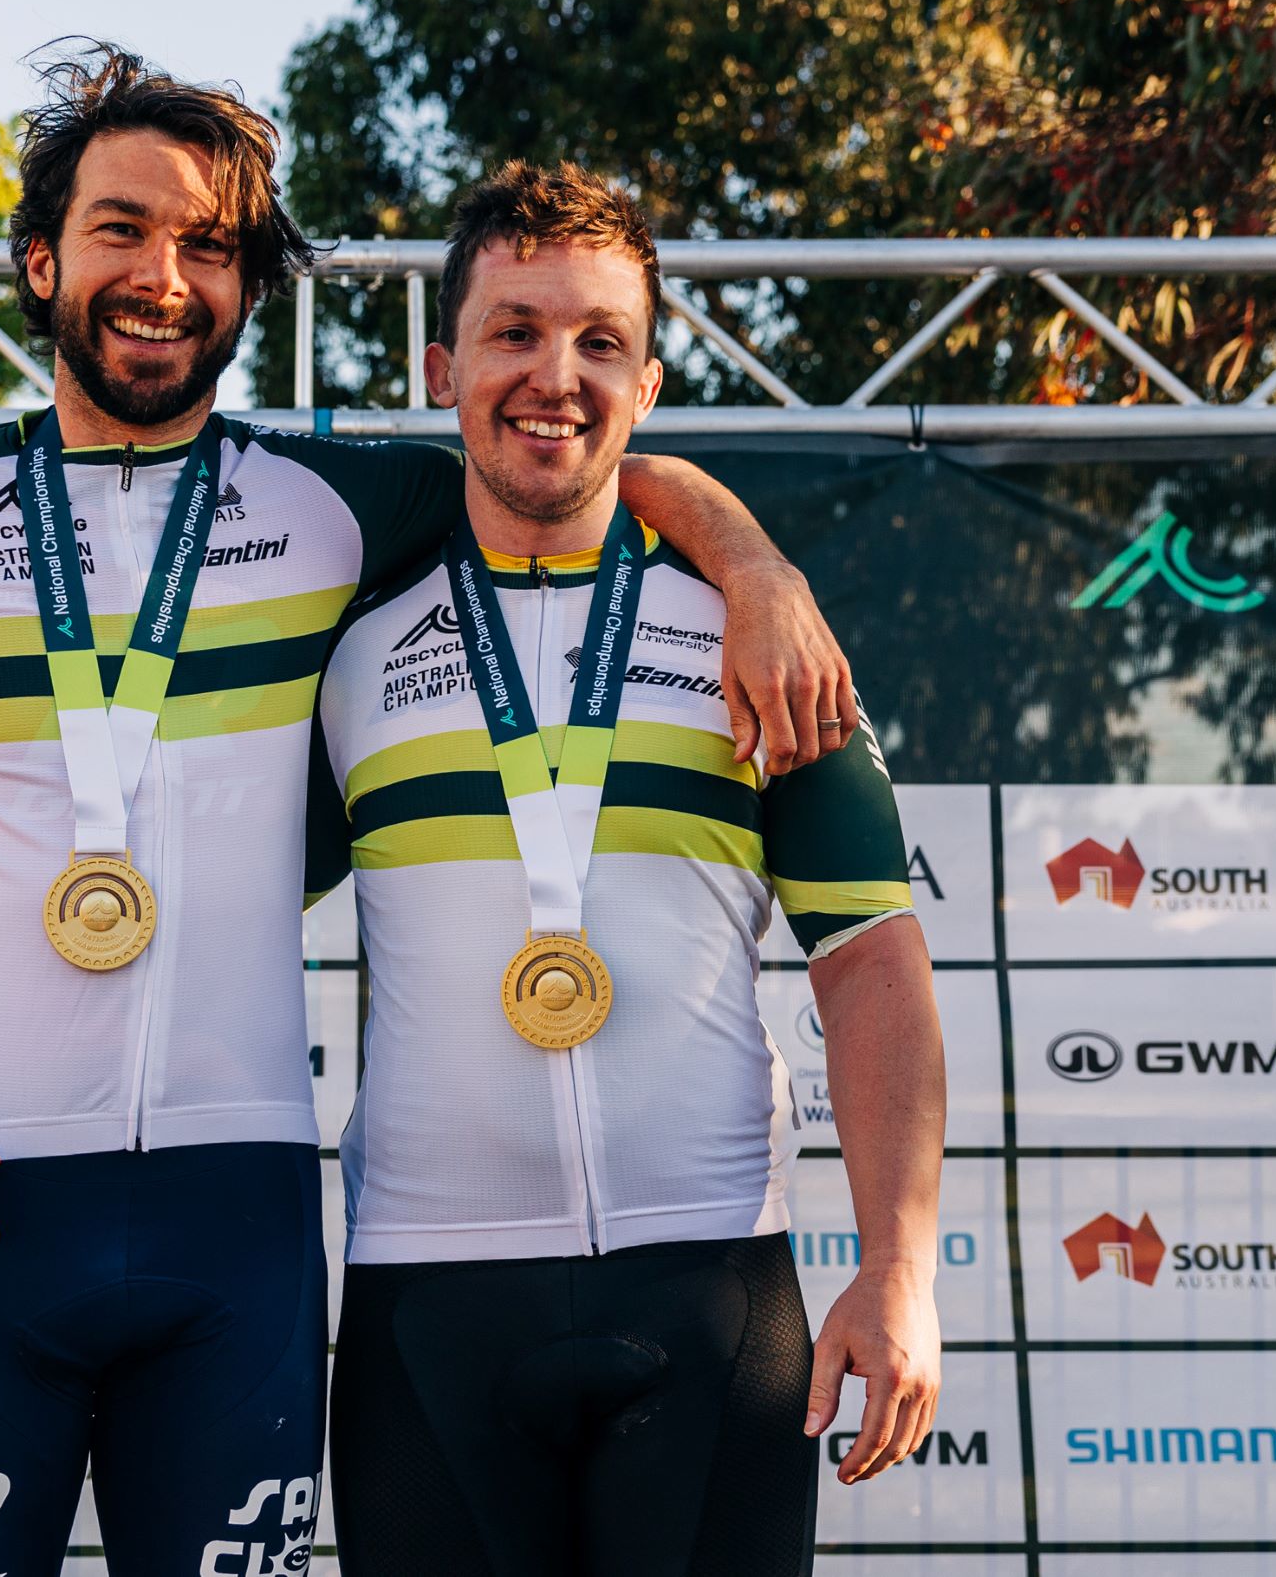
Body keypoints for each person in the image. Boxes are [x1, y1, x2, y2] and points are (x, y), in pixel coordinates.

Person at [0, 46, 859, 1576]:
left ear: (248, 290)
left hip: (236, 1226)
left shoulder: (340, 507)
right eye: (122, 229)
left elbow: (573, 448)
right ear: (41, 260)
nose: (162, 276)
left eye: (210, 246)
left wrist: (752, 563)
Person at [303, 162, 945, 1575]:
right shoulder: (346, 651)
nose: (556, 374)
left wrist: (900, 1265)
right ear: (442, 366)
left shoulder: (763, 639)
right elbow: (200, 881)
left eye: (600, 340)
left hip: (712, 1298)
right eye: (516, 331)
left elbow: (873, 959)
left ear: (646, 382)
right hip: (431, 1311)